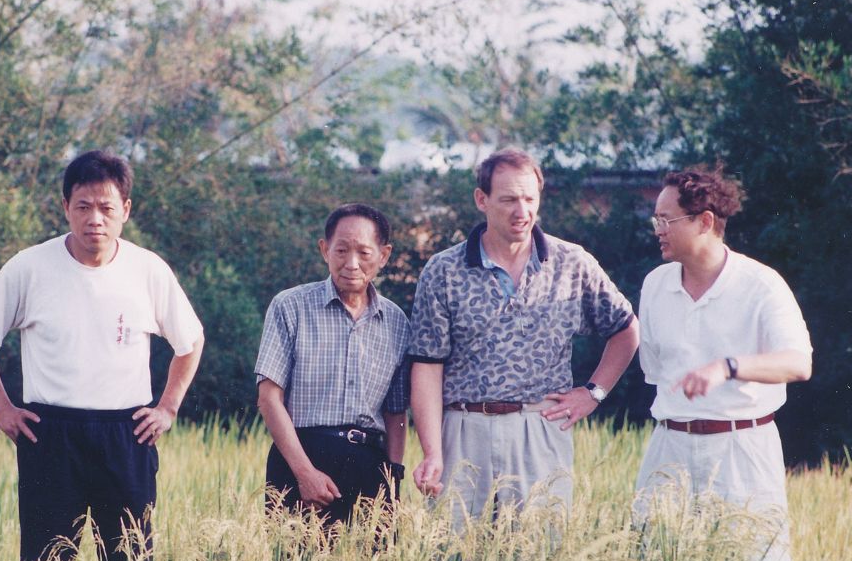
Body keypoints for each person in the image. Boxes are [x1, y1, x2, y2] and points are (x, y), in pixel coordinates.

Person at [0, 151, 204, 561]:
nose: (95, 219)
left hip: (127, 431)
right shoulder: (30, 267)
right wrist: (1, 408)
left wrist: (167, 407)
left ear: (126, 210)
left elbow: (190, 342)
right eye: (83, 206)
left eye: (107, 208)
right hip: (50, 432)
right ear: (65, 207)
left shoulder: (148, 270)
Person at [408, 148, 639, 529]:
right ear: (481, 200)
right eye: (509, 199)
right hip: (464, 429)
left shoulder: (572, 262)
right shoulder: (443, 270)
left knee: (538, 556)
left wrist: (593, 393)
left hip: (540, 428)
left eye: (530, 199)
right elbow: (428, 367)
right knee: (454, 558)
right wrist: (433, 451)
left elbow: (626, 328)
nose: (522, 211)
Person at [634, 165, 811, 561]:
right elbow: (655, 370)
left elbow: (798, 362)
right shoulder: (655, 285)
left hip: (742, 448)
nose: (657, 229)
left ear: (705, 222)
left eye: (666, 220)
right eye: (655, 219)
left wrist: (729, 367)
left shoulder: (762, 284)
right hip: (669, 447)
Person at [255, 203, 409, 528]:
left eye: (364, 253)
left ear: (384, 255)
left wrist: (393, 481)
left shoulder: (397, 322)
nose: (351, 264)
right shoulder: (291, 306)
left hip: (370, 465)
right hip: (300, 458)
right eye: (341, 250)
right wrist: (304, 472)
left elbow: (396, 413)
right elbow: (269, 398)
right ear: (325, 250)